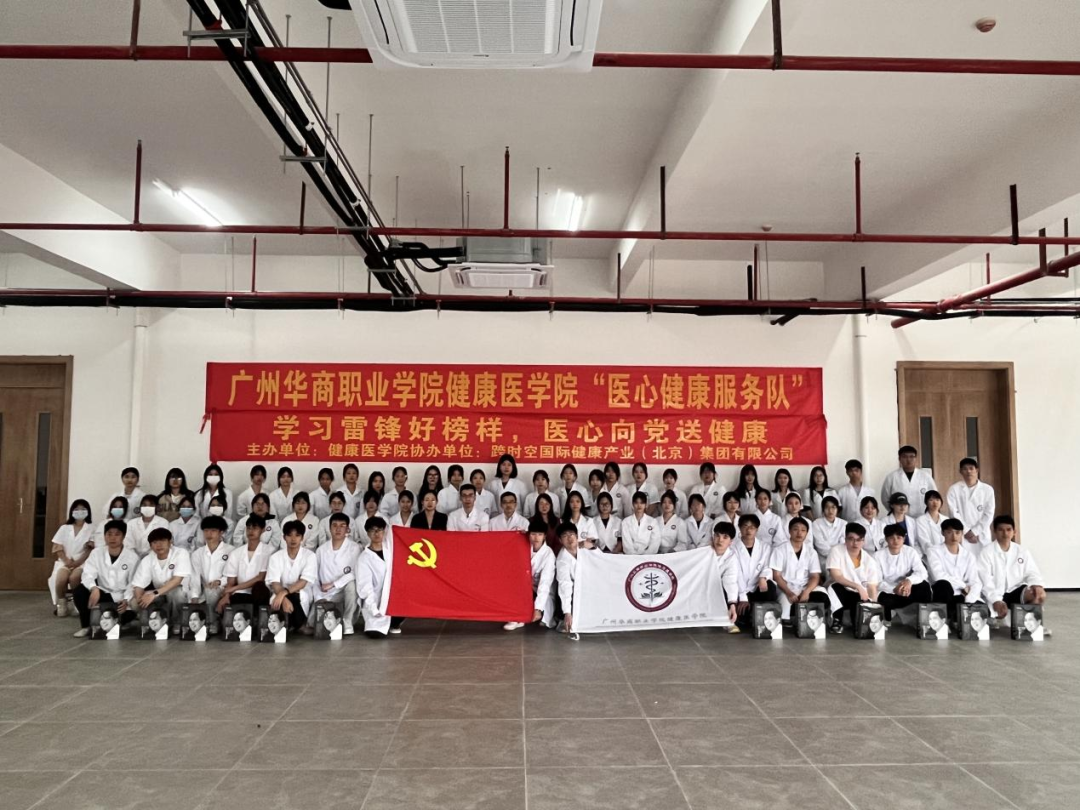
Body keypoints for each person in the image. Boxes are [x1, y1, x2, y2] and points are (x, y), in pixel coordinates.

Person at [72, 519, 139, 637]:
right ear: (104, 536)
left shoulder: (132, 557)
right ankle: (86, 626)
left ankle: (121, 621)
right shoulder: (96, 553)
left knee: (128, 614)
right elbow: (88, 574)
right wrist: (94, 588)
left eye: (117, 534)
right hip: (102, 592)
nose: (113, 538)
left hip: (121, 596)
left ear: (123, 536)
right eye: (109, 534)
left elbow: (133, 583)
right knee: (80, 591)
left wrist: (126, 599)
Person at [978, 515, 1047, 622]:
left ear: (1014, 532)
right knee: (993, 615)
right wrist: (995, 600)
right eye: (1001, 530)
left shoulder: (1022, 551)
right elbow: (985, 580)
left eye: (1008, 530)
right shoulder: (986, 552)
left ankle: (1030, 623)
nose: (1005, 533)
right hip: (994, 593)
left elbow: (1032, 572)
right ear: (994, 531)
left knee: (1040, 594)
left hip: (1014, 591)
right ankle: (994, 616)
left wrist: (1036, 584)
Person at [132, 528, 193, 635]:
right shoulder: (148, 559)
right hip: (160, 593)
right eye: (155, 542)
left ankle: (178, 621)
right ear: (150, 546)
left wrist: (154, 594)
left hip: (178, 592)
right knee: (134, 602)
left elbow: (177, 581)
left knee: (176, 593)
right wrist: (140, 599)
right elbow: (138, 584)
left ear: (170, 542)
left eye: (163, 541)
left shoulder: (181, 553)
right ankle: (156, 622)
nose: (159, 545)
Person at [770, 516, 829, 622]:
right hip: (785, 588)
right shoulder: (779, 550)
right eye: (795, 529)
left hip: (804, 587)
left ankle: (806, 619)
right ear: (789, 531)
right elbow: (776, 576)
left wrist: (806, 592)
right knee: (785, 610)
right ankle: (793, 617)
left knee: (822, 596)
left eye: (803, 530)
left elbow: (815, 576)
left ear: (807, 533)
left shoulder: (811, 552)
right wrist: (789, 592)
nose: (799, 533)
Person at [826, 523, 881, 634]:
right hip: (840, 589)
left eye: (859, 540)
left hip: (859, 594)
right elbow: (836, 576)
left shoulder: (869, 560)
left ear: (863, 541)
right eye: (851, 539)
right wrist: (857, 586)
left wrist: (874, 607)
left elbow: (872, 586)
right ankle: (836, 620)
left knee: (860, 627)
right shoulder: (836, 551)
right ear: (845, 539)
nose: (855, 543)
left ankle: (857, 623)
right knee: (835, 587)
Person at [927, 517, 984, 625]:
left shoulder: (969, 555)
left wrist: (968, 600)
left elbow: (975, 581)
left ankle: (958, 617)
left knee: (984, 611)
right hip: (943, 594)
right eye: (949, 532)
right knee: (943, 584)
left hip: (962, 595)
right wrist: (963, 585)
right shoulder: (933, 551)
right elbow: (938, 576)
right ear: (943, 533)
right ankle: (945, 621)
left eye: (957, 533)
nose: (954, 536)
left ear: (962, 533)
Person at [312, 513, 362, 635]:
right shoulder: (321, 550)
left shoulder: (355, 548)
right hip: (326, 594)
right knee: (312, 625)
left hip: (344, 592)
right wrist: (318, 597)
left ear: (347, 529)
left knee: (352, 585)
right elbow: (314, 577)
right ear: (329, 528)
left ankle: (347, 621)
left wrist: (334, 584)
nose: (338, 529)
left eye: (342, 526)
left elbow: (355, 573)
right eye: (334, 525)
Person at [266, 520, 318, 634]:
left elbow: (303, 582)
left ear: (302, 538)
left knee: (295, 596)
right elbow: (275, 582)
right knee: (283, 601)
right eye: (289, 535)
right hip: (279, 592)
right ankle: (297, 625)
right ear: (284, 537)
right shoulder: (275, 557)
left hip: (301, 592)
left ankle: (294, 625)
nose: (293, 539)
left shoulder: (310, 556)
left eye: (297, 535)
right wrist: (283, 598)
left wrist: (283, 594)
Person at [217, 514, 273, 619]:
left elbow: (260, 578)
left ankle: (259, 621)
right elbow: (231, 581)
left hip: (259, 593)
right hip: (240, 592)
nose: (251, 531)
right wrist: (226, 596)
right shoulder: (236, 553)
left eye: (255, 528)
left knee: (260, 588)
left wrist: (232, 588)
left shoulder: (268, 551)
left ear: (263, 530)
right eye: (249, 528)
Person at [875, 524, 933, 624]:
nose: (895, 541)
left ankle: (921, 619)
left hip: (907, 588)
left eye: (899, 537)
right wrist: (894, 589)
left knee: (924, 587)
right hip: (889, 590)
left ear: (904, 538)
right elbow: (877, 582)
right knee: (884, 599)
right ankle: (897, 613)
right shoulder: (877, 556)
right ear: (886, 539)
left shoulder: (910, 551)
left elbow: (922, 572)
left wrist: (909, 581)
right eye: (891, 538)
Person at [506, 520, 557, 630]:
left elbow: (545, 582)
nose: (536, 538)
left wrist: (538, 609)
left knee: (545, 617)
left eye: (540, 534)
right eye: (533, 534)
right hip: (524, 583)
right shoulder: (523, 546)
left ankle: (533, 614)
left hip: (540, 585)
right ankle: (516, 617)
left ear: (545, 536)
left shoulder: (548, 554)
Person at [185, 515, 232, 632]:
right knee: (204, 591)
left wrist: (220, 582)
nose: (209, 534)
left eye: (213, 530)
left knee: (211, 590)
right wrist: (195, 596)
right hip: (206, 590)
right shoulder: (197, 554)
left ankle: (213, 621)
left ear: (221, 532)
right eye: (206, 530)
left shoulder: (231, 551)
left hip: (226, 589)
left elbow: (233, 575)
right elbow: (195, 577)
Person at [354, 516, 399, 637]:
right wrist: (374, 609)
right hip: (375, 600)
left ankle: (394, 623)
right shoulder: (364, 558)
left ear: (384, 531)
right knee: (375, 634)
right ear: (368, 533)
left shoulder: (392, 550)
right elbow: (365, 587)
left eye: (379, 530)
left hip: (393, 597)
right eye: (373, 530)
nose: (377, 533)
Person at [49, 499, 94, 617]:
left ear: (88, 511)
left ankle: (76, 602)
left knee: (74, 578)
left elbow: (90, 549)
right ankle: (62, 603)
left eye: (83, 509)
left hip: (82, 562)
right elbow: (58, 547)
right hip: (65, 562)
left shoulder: (91, 528)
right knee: (61, 579)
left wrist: (77, 562)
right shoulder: (64, 528)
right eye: (77, 509)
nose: (80, 511)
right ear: (72, 511)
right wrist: (67, 561)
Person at [733, 514, 777, 629]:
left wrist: (763, 577)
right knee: (743, 622)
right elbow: (736, 573)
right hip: (740, 589)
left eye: (752, 527)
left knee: (770, 586)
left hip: (757, 586)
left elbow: (767, 566)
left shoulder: (765, 547)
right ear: (739, 528)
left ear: (757, 529)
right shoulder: (732, 548)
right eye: (745, 526)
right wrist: (743, 597)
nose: (748, 530)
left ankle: (764, 617)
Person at [947, 457, 996, 555]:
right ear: (960, 471)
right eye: (965, 469)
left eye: (971, 468)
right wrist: (966, 531)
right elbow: (953, 513)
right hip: (963, 534)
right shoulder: (954, 489)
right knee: (964, 560)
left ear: (977, 470)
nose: (968, 471)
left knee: (984, 560)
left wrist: (975, 531)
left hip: (981, 534)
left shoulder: (987, 489)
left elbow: (989, 513)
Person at [880, 445, 937, 518]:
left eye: (911, 456)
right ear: (899, 459)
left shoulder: (925, 476)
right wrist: (895, 511)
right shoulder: (891, 477)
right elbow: (885, 499)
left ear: (916, 458)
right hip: (900, 518)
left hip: (922, 517)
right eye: (905, 457)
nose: (908, 460)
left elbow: (934, 496)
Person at [711, 522, 741, 627]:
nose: (720, 540)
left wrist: (732, 604)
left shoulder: (731, 558)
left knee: (724, 589)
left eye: (725, 537)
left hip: (717, 590)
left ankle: (727, 618)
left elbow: (730, 581)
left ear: (731, 541)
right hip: (700, 588)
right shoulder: (703, 552)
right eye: (717, 535)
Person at [555, 522, 582, 633]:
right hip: (572, 589)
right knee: (562, 589)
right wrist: (567, 613)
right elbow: (565, 584)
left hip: (589, 586)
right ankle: (562, 618)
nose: (569, 538)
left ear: (577, 536)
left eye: (571, 534)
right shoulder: (562, 559)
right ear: (560, 540)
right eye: (565, 536)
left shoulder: (586, 549)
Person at [126, 494, 169, 558]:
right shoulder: (131, 523)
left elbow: (162, 544)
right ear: (140, 507)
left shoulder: (163, 523)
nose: (147, 507)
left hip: (154, 557)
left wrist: (148, 558)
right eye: (144, 505)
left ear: (157, 507)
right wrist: (135, 557)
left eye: (151, 505)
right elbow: (128, 544)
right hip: (132, 558)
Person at [811, 495, 846, 571]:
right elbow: (820, 545)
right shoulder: (816, 523)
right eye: (827, 507)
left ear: (837, 509)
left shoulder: (844, 524)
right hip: (823, 560)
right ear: (823, 509)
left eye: (833, 507)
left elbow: (843, 543)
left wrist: (837, 555)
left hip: (840, 558)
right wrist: (834, 555)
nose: (830, 510)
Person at [915, 490, 947, 559]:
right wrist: (937, 553)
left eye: (937, 500)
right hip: (930, 557)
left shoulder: (946, 519)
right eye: (931, 500)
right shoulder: (920, 520)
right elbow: (924, 542)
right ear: (926, 502)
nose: (935, 502)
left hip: (947, 556)